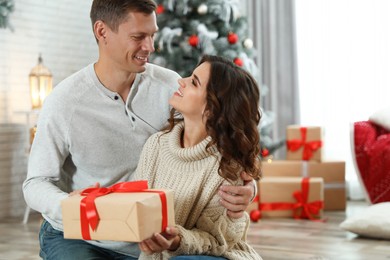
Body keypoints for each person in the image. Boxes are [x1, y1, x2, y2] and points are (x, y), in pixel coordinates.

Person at [22, 1, 256, 259]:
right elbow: (36, 183)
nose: (150, 47)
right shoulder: (65, 101)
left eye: (152, 35)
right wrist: (72, 206)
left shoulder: (169, 86)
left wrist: (246, 188)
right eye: (138, 37)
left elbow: (221, 133)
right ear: (102, 32)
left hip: (150, 239)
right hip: (82, 236)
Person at [132, 55, 262, 260]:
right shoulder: (155, 145)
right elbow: (135, 207)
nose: (180, 81)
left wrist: (176, 241)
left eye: (193, 82)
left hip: (217, 256)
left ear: (211, 108)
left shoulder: (226, 168)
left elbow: (215, 241)